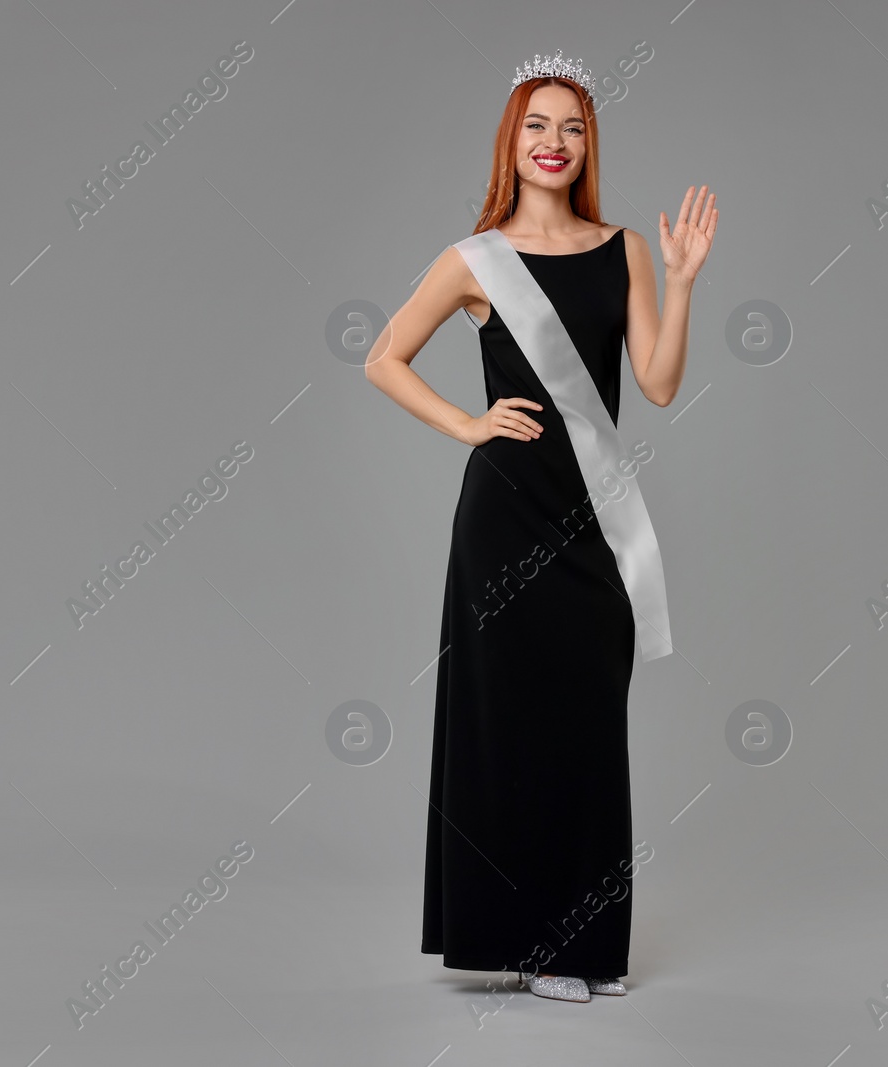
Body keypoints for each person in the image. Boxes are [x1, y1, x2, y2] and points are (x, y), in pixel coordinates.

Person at [365, 49, 716, 1003]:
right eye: (537, 125)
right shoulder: (473, 261)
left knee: (586, 722)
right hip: (504, 521)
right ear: (511, 143)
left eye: (572, 128)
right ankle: (517, 938)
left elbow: (658, 382)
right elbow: (384, 358)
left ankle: (577, 940)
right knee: (504, 721)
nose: (554, 142)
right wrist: (467, 426)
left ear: (586, 145)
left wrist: (680, 283)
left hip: (590, 521)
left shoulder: (624, 248)